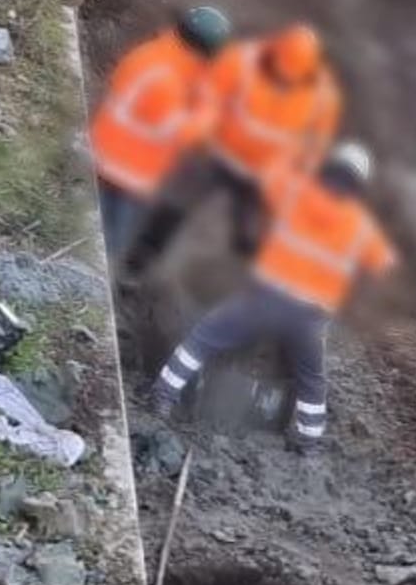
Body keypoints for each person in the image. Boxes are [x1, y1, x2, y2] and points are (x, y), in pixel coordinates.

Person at [150, 141, 394, 448]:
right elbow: (384, 264)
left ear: (327, 168)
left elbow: (266, 174)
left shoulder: (295, 190)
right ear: (359, 185)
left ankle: (163, 396)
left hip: (263, 300)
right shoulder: (361, 225)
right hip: (307, 317)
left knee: (203, 337)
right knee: (311, 381)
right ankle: (309, 443)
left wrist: (304, 158)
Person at [123, 22, 342, 276]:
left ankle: (260, 289)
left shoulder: (324, 96)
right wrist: (200, 132)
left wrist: (301, 172)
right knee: (175, 206)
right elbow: (209, 95)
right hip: (216, 153)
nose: (282, 81)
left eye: (290, 80)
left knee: (255, 236)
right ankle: (137, 264)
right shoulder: (241, 60)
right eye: (278, 74)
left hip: (264, 173)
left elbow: (318, 140)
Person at [89, 6, 231, 259]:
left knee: (95, 228)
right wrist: (209, 111)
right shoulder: (166, 81)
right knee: (105, 244)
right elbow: (182, 133)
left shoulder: (154, 54)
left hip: (105, 152)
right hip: (123, 170)